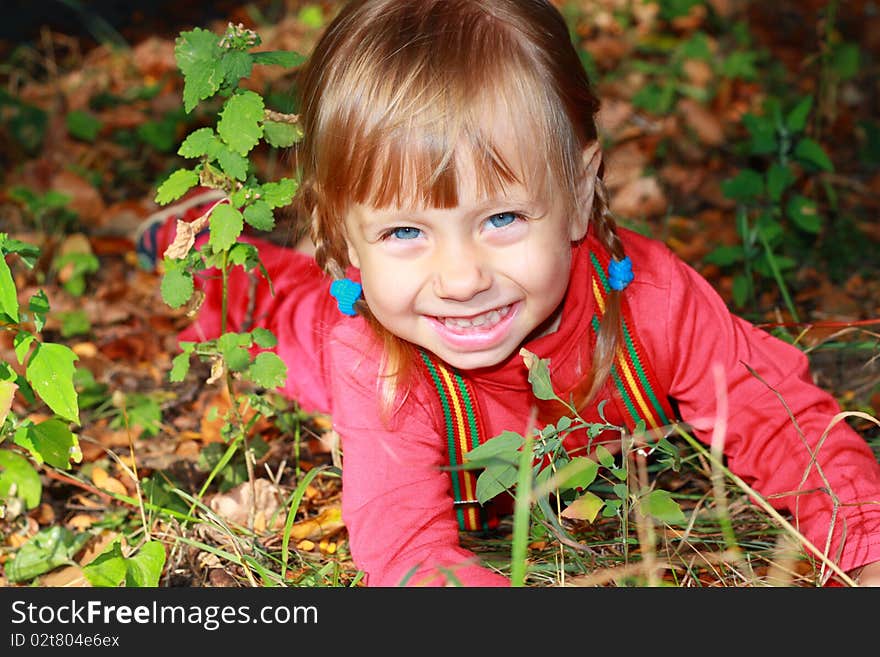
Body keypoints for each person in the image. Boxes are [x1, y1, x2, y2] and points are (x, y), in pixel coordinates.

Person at [140, 0, 880, 586]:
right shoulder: (379, 361)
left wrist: (866, 542)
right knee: (275, 303)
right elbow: (404, 552)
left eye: (501, 218)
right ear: (344, 238)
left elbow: (782, 419)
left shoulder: (650, 297)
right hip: (345, 322)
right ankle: (197, 241)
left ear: (581, 194)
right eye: (405, 230)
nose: (462, 278)